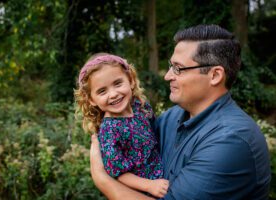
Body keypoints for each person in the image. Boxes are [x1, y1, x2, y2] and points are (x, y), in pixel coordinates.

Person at [90, 24, 271, 199]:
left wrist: (102, 179)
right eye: (170, 66)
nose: (167, 75)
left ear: (215, 75)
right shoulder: (171, 117)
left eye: (178, 68)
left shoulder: (230, 140)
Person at [75, 53, 169, 198]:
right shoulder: (109, 131)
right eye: (102, 91)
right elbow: (119, 174)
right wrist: (150, 185)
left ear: (130, 81)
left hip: (165, 173)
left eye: (118, 83)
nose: (113, 94)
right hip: (143, 191)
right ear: (91, 99)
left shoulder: (141, 107)